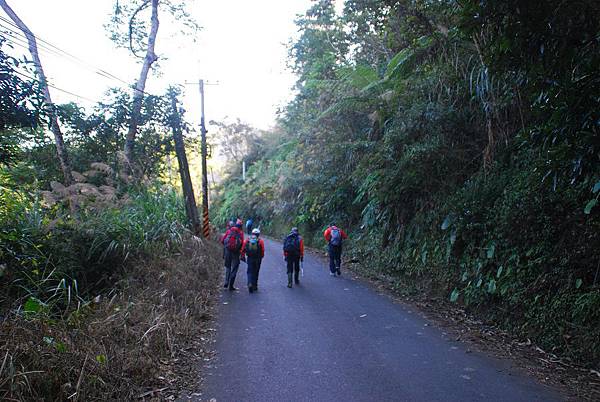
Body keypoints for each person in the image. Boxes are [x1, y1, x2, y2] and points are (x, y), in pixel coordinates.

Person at [222, 221, 245, 290]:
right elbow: (242, 245)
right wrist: (241, 253)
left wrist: (227, 247)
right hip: (236, 253)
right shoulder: (241, 233)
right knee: (234, 268)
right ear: (241, 227)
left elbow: (222, 240)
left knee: (228, 267)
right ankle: (231, 285)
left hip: (228, 251)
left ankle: (226, 281)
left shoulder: (229, 231)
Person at [241, 228, 265, 293]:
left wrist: (243, 255)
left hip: (250, 258)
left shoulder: (248, 240)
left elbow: (243, 248)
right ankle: (255, 286)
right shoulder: (260, 241)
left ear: (252, 233)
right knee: (256, 271)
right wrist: (261, 256)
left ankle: (249, 283)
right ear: (258, 234)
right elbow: (262, 250)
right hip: (258, 259)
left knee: (249, 271)